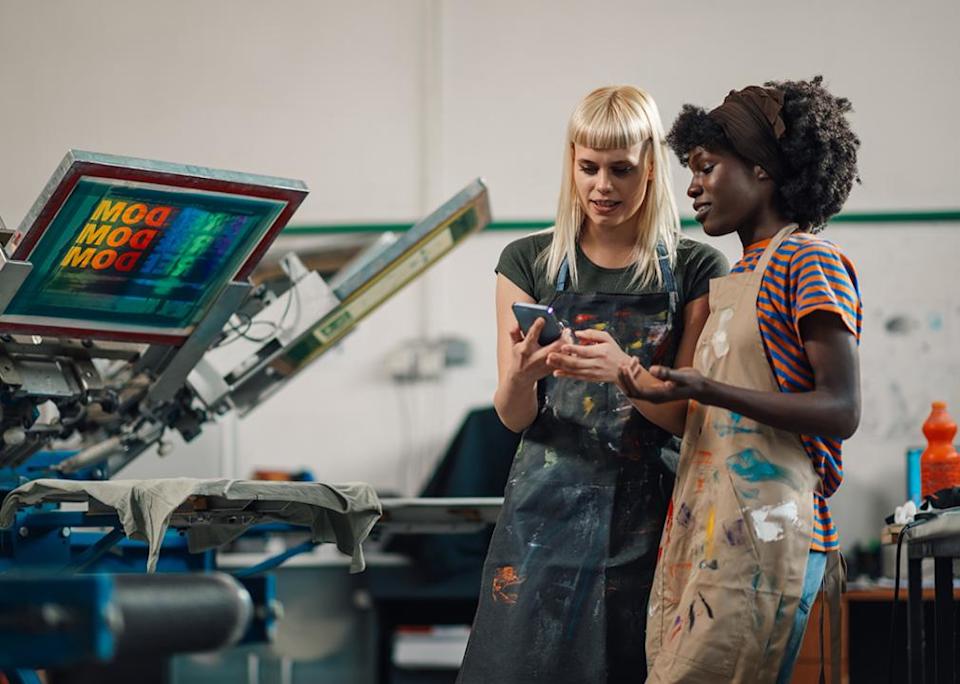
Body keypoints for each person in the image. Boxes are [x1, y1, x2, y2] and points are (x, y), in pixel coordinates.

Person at [456, 85, 728, 684]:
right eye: (588, 167)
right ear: (571, 162)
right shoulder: (529, 262)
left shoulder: (695, 268)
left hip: (652, 517)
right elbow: (514, 416)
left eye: (621, 170)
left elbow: (688, 418)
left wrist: (625, 375)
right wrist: (524, 377)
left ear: (651, 169)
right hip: (542, 520)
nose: (602, 185)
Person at [620, 77, 861, 683]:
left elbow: (840, 409)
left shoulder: (810, 260)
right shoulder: (739, 273)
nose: (693, 187)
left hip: (770, 533)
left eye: (705, 168)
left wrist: (710, 388)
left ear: (762, 171)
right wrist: (636, 384)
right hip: (710, 526)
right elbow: (709, 415)